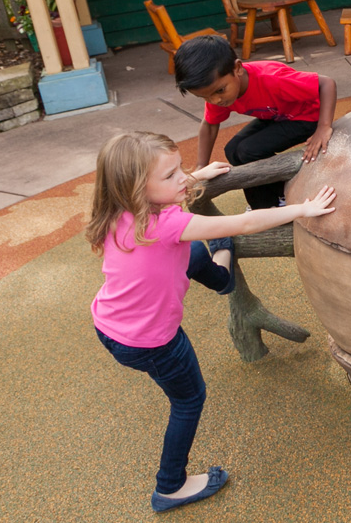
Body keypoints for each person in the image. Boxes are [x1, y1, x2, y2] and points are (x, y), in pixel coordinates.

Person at [87, 130, 336, 512]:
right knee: (189, 400)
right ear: (136, 189)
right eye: (170, 175)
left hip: (108, 324)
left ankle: (220, 275)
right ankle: (170, 486)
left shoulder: (116, 212)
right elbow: (245, 224)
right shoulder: (169, 225)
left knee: (192, 255)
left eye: (180, 169)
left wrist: (197, 175)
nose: (182, 179)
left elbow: (167, 195)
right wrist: (302, 209)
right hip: (153, 342)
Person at [174, 34, 336, 209]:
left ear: (237, 68)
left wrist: (323, 127)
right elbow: (210, 124)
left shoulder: (272, 78)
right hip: (277, 116)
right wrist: (201, 166)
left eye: (220, 91)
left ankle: (279, 198)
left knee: (248, 150)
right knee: (232, 150)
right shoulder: (218, 92)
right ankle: (262, 204)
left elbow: (326, 84)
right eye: (204, 97)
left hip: (308, 117)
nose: (215, 100)